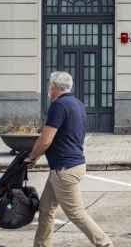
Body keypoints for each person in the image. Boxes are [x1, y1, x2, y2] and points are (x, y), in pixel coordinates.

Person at [27, 71, 112, 247]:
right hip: (71, 165)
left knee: (75, 212)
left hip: (64, 169)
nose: (49, 91)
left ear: (55, 87)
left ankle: (104, 244)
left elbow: (46, 139)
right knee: (46, 208)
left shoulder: (58, 106)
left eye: (50, 87)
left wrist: (32, 157)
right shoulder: (78, 104)